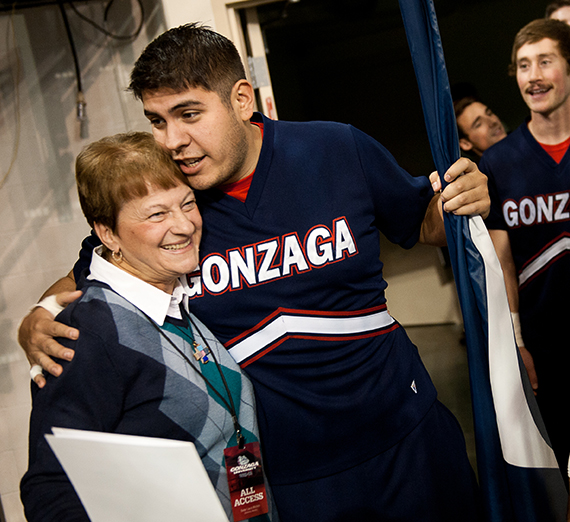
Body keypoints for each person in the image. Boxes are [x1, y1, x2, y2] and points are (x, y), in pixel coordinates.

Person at [19, 24, 491, 521]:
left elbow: (422, 222)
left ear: (242, 99)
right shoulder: (172, 207)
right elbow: (96, 276)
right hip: (287, 479)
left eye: (189, 115)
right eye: (157, 121)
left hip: (408, 438)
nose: (173, 141)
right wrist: (37, 315)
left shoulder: (336, 149)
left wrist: (465, 199)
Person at [19, 132, 278, 522]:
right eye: (157, 214)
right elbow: (52, 491)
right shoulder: (89, 332)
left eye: (187, 204)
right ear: (107, 234)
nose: (185, 226)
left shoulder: (175, 300)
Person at [479, 18, 570, 482]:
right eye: (522, 65)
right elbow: (502, 263)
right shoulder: (498, 164)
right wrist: (517, 342)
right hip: (547, 347)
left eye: (545, 61)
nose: (533, 75)